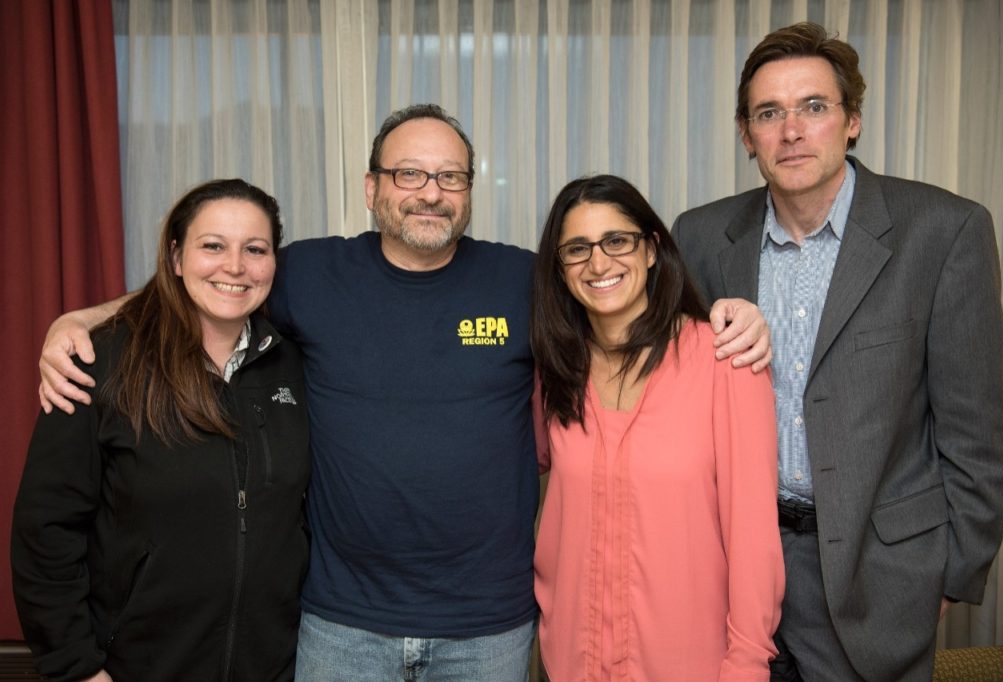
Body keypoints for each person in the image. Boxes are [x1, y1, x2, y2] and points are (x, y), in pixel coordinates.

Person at [35, 104, 771, 681]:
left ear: (470, 192)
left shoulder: (525, 282)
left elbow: (618, 296)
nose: (430, 193)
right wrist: (82, 318)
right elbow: (219, 280)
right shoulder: (309, 275)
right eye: (409, 175)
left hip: (489, 626)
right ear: (372, 188)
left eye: (450, 177)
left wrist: (729, 312)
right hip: (340, 623)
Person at [672, 22, 1003, 682]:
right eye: (769, 113)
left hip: (878, 575)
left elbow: (979, 434)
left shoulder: (944, 232)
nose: (791, 130)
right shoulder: (704, 236)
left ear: (852, 120)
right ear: (747, 135)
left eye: (814, 107)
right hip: (736, 570)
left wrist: (947, 574)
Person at [12, 179, 310, 682]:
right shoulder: (97, 363)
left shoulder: (294, 365)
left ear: (273, 264)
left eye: (254, 249)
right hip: (131, 668)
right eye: (212, 246)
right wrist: (77, 667)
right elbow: (45, 531)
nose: (234, 267)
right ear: (175, 257)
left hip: (273, 667)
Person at [531, 175, 784, 680]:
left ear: (651, 250)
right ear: (559, 269)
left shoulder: (724, 359)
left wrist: (748, 662)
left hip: (690, 662)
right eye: (577, 249)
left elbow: (754, 538)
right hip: (572, 660)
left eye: (617, 241)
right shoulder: (555, 370)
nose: (598, 264)